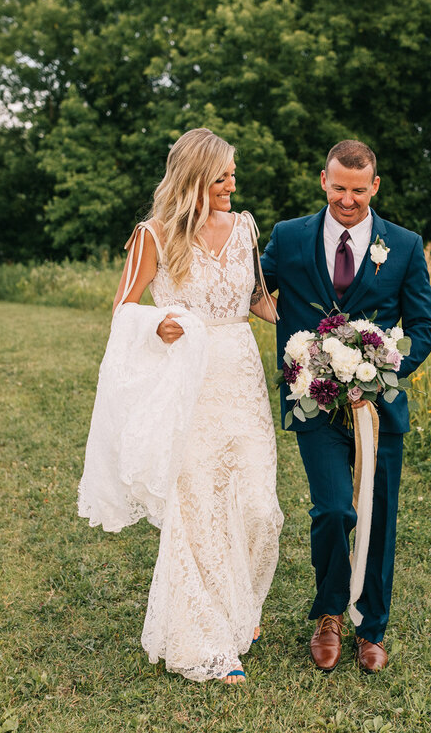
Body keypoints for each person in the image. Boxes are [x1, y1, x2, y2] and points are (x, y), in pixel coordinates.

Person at [78, 128, 283, 685]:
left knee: (258, 505)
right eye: (221, 177)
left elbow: (258, 299)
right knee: (197, 508)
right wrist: (158, 324)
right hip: (188, 379)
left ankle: (245, 607)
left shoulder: (245, 227)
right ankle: (205, 641)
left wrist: (319, 334)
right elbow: (124, 309)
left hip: (241, 377)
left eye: (232, 174)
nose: (231, 185)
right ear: (193, 178)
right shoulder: (153, 234)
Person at [260, 140, 431, 673]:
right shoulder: (289, 237)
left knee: (378, 517)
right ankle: (329, 614)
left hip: (377, 408)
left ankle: (373, 629)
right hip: (314, 405)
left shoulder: (403, 245)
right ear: (323, 180)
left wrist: (387, 368)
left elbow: (425, 326)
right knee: (335, 510)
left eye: (358, 191)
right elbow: (246, 290)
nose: (348, 199)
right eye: (339, 188)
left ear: (375, 187)